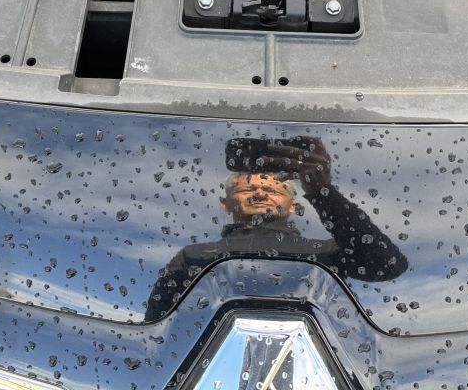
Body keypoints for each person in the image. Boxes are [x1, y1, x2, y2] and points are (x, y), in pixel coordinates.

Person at [144, 137, 408, 321]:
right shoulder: (193, 256)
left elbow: (388, 265)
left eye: (272, 190)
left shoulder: (327, 253)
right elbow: (157, 321)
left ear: (294, 205)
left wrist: (321, 190)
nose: (260, 192)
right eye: (248, 188)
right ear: (226, 204)